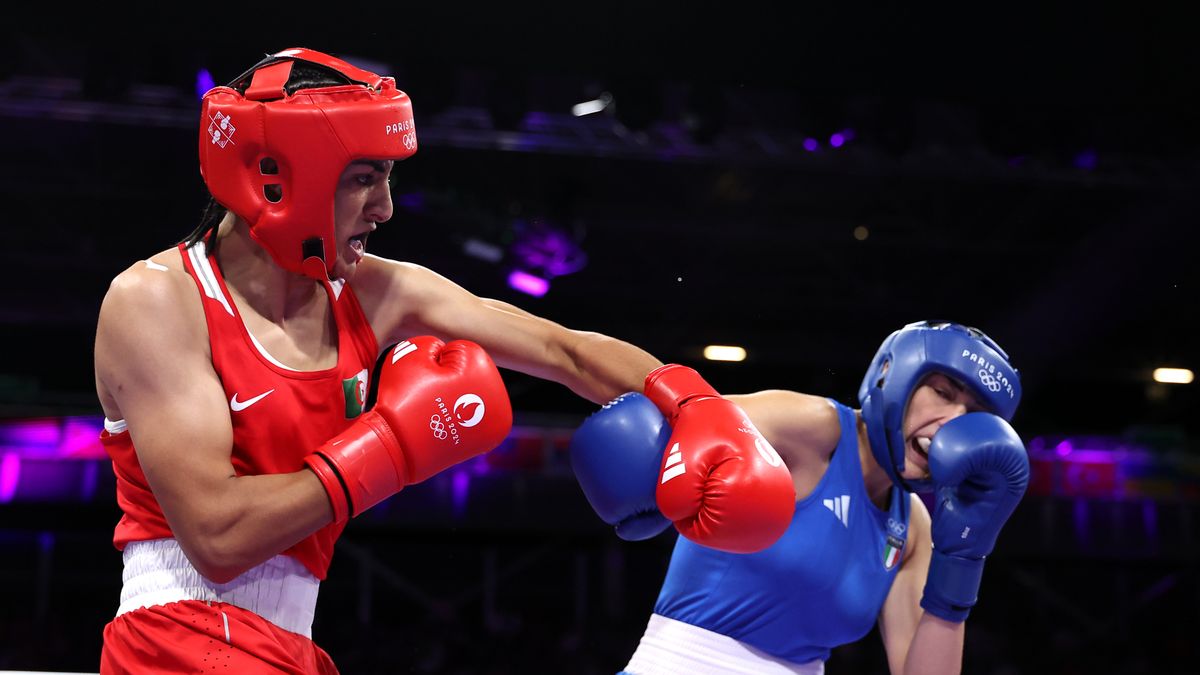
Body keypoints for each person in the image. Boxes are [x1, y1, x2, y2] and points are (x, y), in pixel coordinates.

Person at [92, 47, 794, 673]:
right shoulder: (157, 302)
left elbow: (563, 349)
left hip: (291, 645)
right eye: (364, 177)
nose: (385, 207)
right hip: (176, 642)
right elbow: (217, 536)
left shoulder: (374, 293)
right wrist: (390, 445)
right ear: (278, 176)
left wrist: (690, 400)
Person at [570, 320, 1031, 674]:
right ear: (895, 378)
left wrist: (964, 558)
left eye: (973, 414)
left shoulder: (915, 527)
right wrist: (552, 349)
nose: (954, 420)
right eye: (943, 392)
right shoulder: (811, 427)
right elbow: (671, 405)